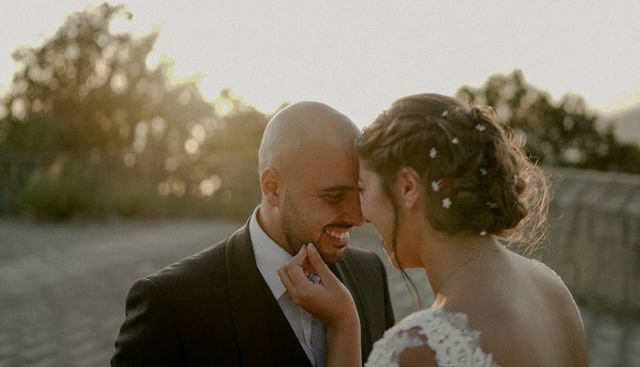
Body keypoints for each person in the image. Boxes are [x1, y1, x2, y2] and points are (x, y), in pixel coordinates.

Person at [279, 93, 588, 366]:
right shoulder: (552, 288)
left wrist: (344, 324)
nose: (362, 215)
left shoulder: (419, 350)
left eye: (362, 188)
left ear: (408, 187)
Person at [111, 101, 395, 366]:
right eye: (333, 196)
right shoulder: (171, 304)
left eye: (359, 193)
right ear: (272, 187)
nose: (359, 218)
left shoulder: (370, 274)